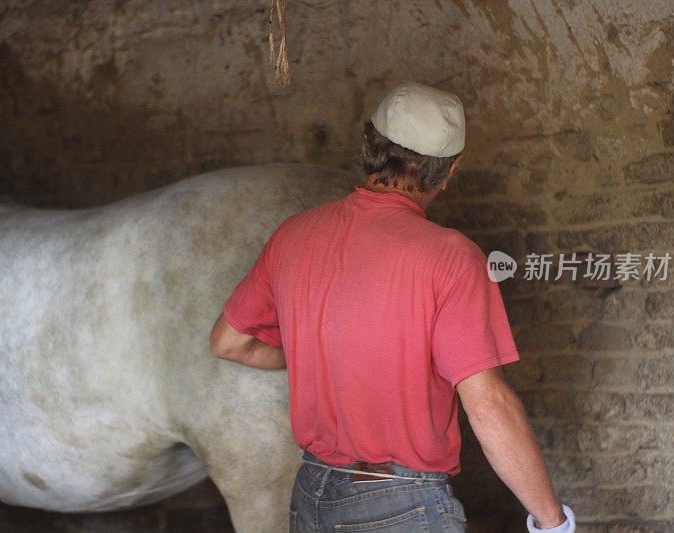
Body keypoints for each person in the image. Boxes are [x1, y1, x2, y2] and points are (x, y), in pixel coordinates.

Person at [209, 82, 575, 532]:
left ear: (370, 145)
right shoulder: (451, 257)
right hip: (401, 502)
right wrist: (553, 522)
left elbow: (228, 341)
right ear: (451, 168)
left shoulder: (292, 236)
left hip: (311, 493)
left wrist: (319, 359)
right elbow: (487, 406)